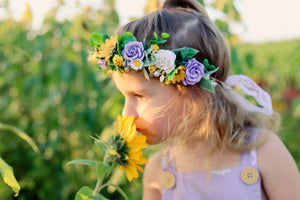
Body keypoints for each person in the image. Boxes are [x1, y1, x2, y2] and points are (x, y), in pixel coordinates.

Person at [89, 0, 300, 199]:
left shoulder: (261, 152)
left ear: (193, 89)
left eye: (139, 96)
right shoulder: (158, 171)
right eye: (125, 96)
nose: (127, 113)